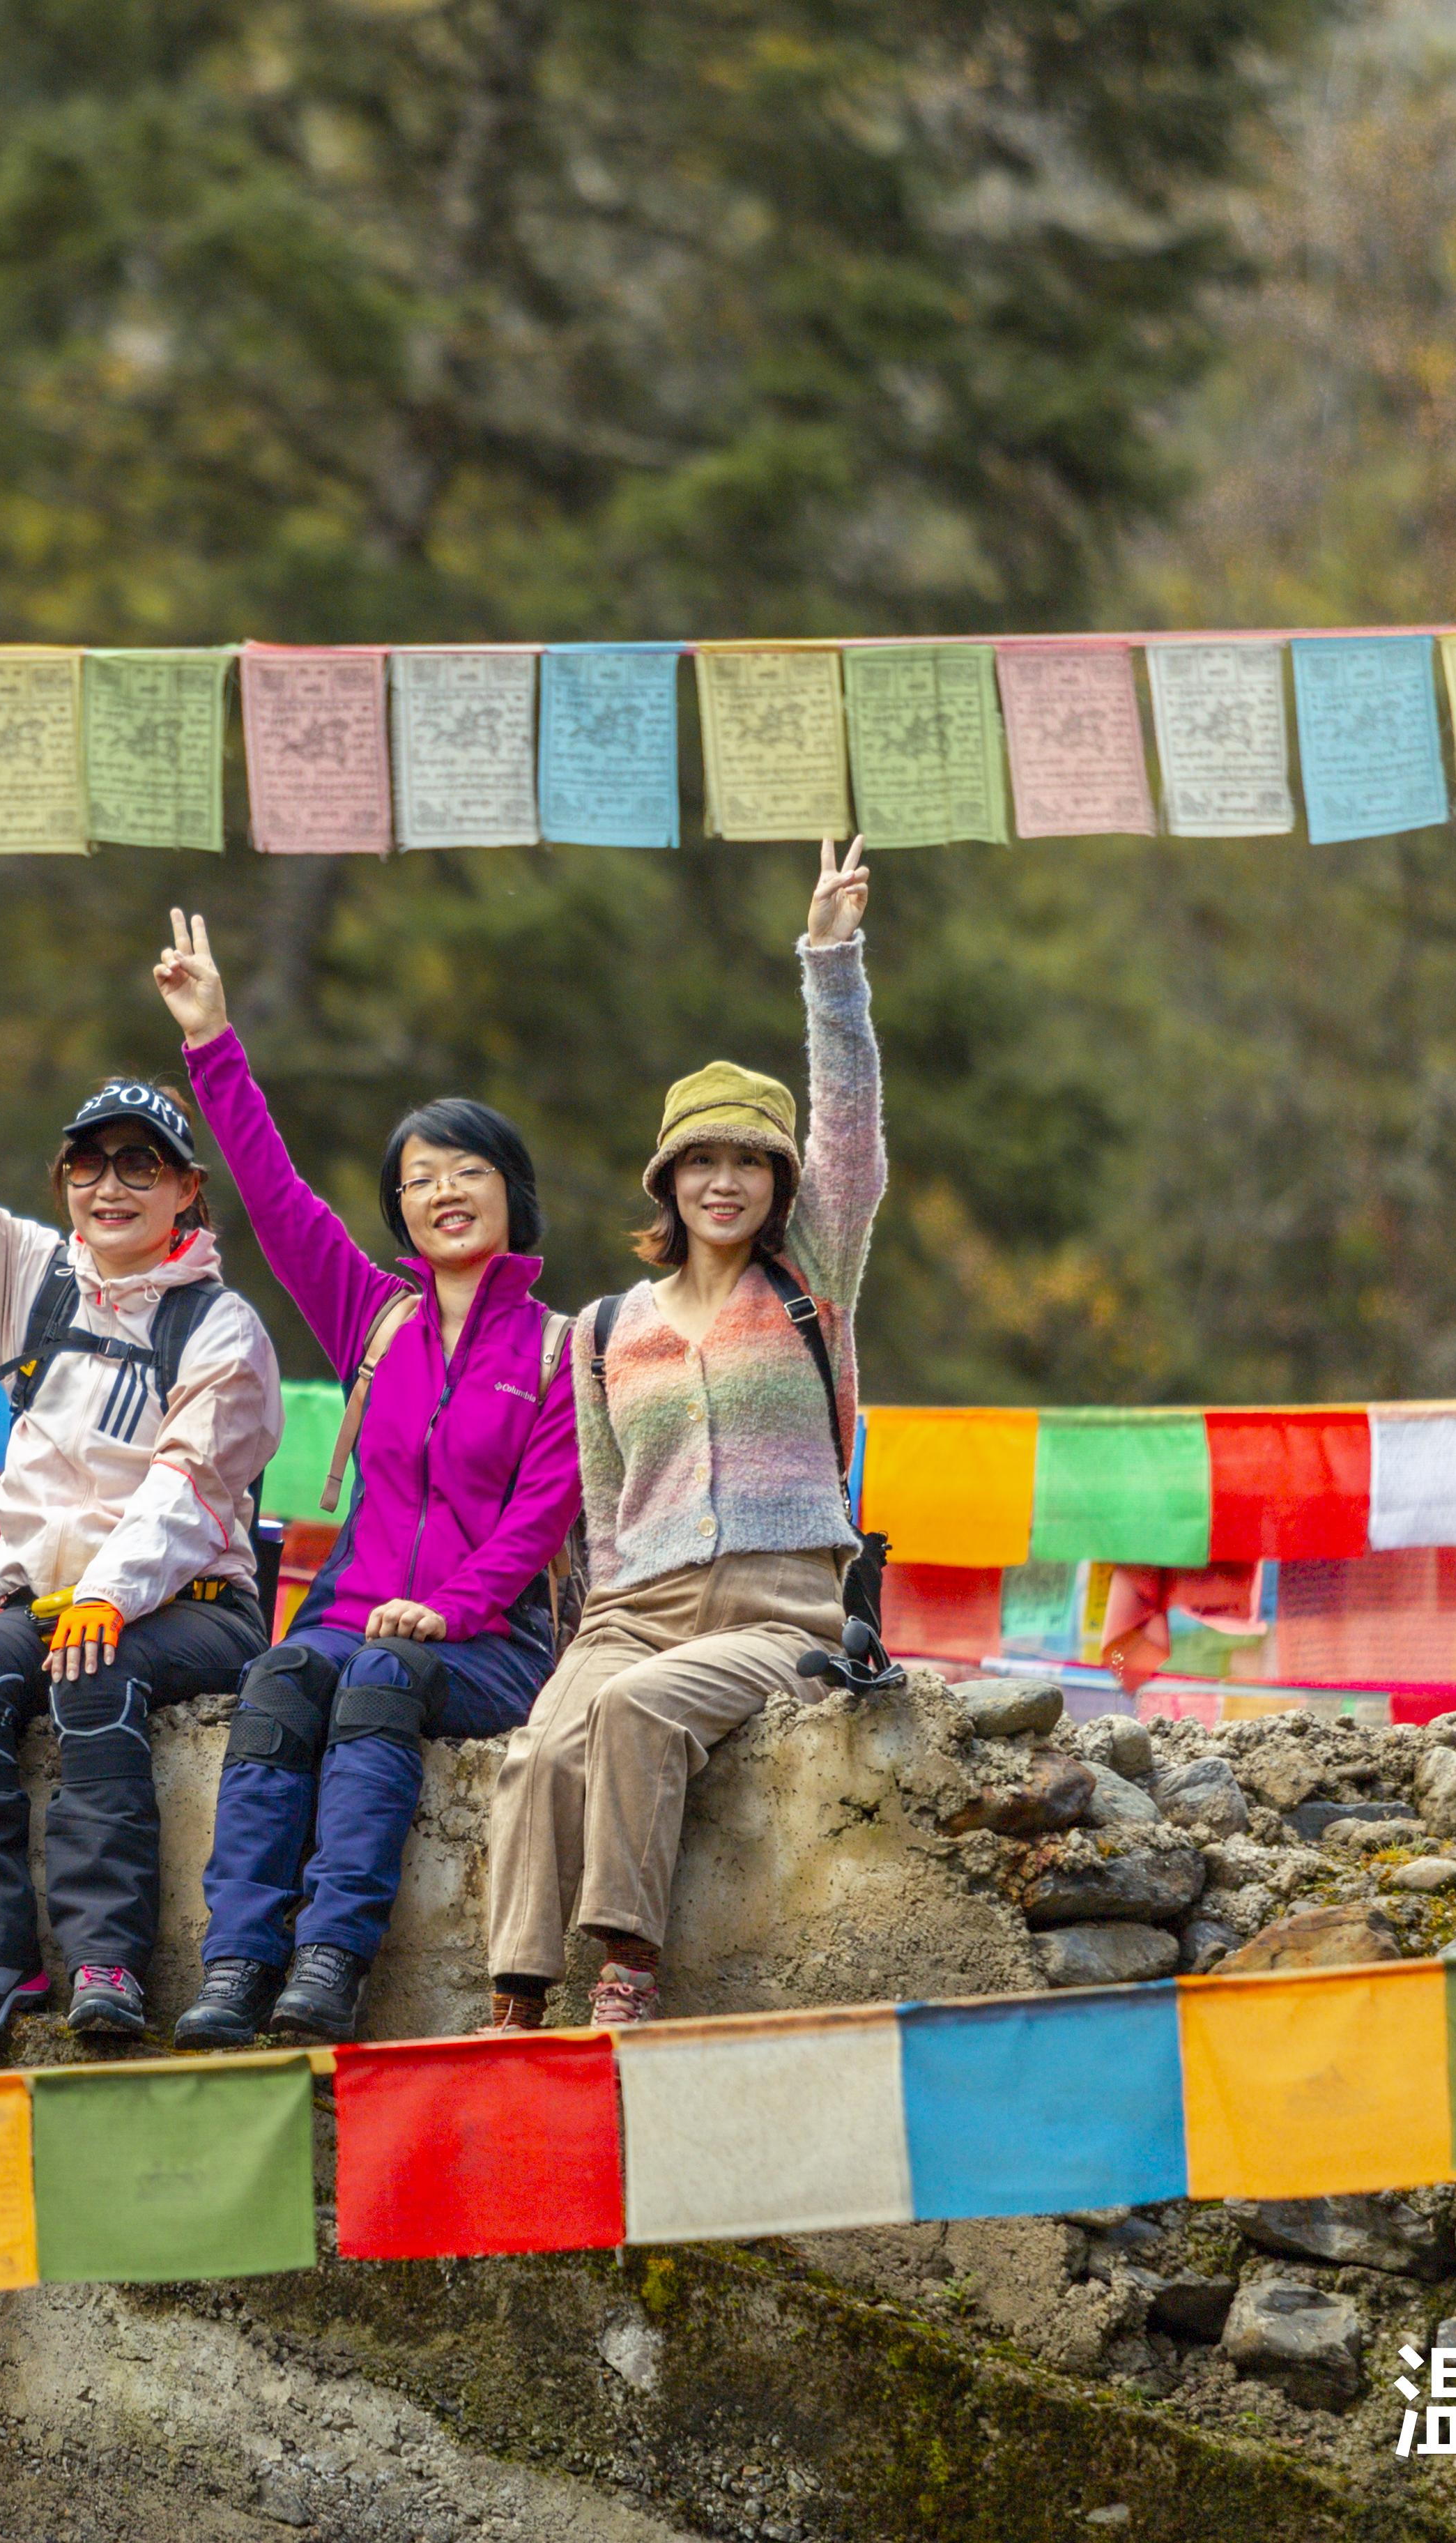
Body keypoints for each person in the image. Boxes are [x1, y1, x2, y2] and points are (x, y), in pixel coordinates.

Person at [0, 905, 284, 2047]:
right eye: (89, 1167)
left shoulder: (221, 1326)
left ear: (189, 1190)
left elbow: (189, 1489)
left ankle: (109, 1965)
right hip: (46, 1604)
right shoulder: (32, 1282)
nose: (111, 1187)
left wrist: (108, 1595)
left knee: (96, 1679)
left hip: (190, 1607)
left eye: (142, 1167)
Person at [151, 910, 579, 2047]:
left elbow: (538, 1523)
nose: (444, 1191)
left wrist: (446, 1609)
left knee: (386, 1673)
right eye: (419, 1178)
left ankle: (333, 1961)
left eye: (468, 1171)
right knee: (286, 1675)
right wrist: (213, 1042)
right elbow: (279, 1199)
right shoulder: (374, 1322)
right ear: (398, 1211)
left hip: (490, 1646)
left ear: (511, 1194)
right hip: (350, 1619)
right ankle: (239, 1966)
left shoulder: (558, 1349)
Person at [483, 838, 882, 2033]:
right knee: (537, 1752)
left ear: (778, 1181)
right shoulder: (601, 1330)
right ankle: (515, 1994)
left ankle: (628, 1965)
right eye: (699, 1160)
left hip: (781, 1608)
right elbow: (604, 1513)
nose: (723, 1182)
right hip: (633, 1605)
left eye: (748, 1161)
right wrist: (597, 1623)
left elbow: (853, 1132)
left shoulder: (814, 1280)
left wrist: (831, 962)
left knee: (639, 1712)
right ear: (666, 1181)